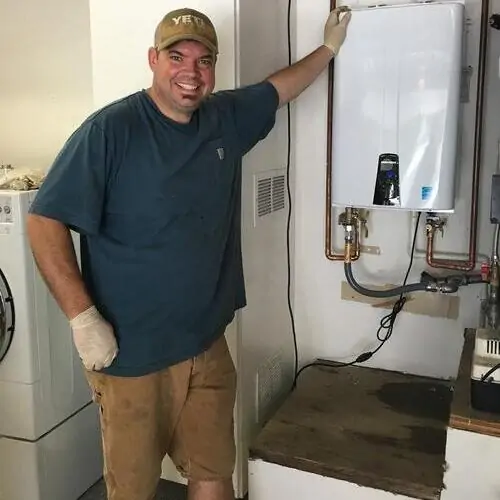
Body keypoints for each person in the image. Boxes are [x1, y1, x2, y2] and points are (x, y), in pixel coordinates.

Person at [26, 6, 351, 500]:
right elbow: (43, 218)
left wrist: (329, 49)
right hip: (132, 357)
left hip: (206, 344)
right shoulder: (110, 132)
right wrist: (82, 316)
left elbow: (279, 88)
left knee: (214, 472)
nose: (191, 73)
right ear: (153, 59)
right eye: (177, 57)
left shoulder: (223, 119)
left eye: (204, 61)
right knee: (133, 490)